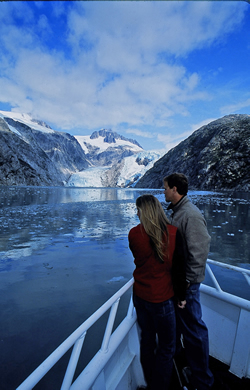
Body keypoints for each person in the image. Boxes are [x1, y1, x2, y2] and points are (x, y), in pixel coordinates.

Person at [128, 194, 186, 390]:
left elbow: (140, 258)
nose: (136, 213)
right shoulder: (172, 233)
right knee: (167, 347)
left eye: (138, 210)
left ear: (144, 212)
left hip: (141, 297)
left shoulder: (134, 234)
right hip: (162, 299)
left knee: (147, 340)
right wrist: (182, 297)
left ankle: (151, 382)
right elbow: (178, 271)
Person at [163, 173, 214, 390]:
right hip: (179, 284)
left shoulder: (190, 215)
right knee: (185, 329)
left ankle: (202, 381)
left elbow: (198, 253)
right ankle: (190, 370)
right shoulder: (177, 212)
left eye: (165, 188)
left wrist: (186, 284)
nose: (163, 191)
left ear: (175, 189)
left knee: (194, 331)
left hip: (187, 286)